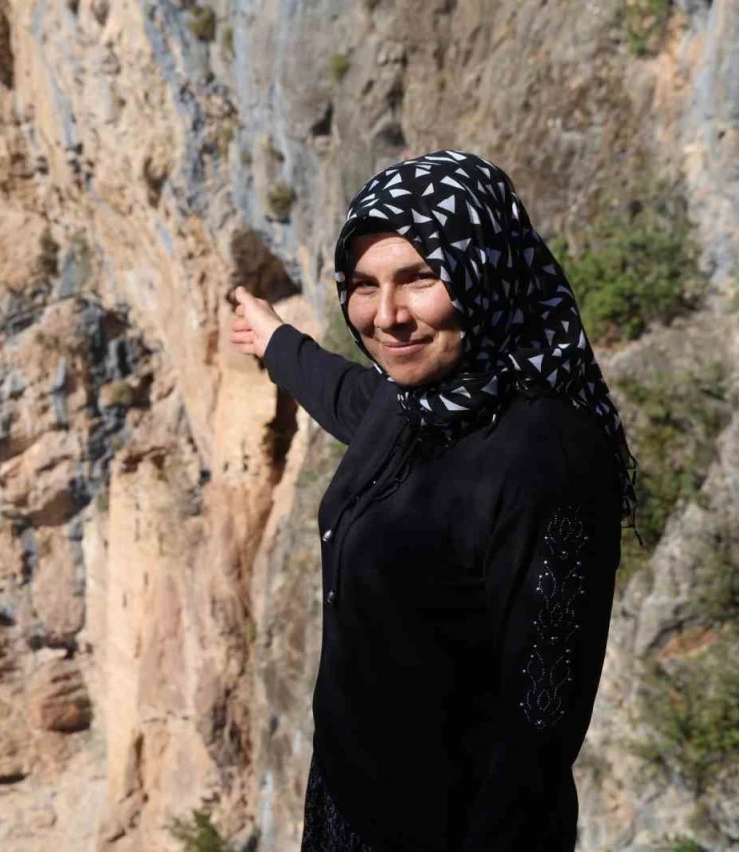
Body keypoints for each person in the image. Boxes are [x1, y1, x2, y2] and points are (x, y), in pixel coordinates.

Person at [229, 150, 639, 851]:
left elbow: (536, 730)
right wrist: (276, 343)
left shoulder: (546, 457)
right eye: (364, 285)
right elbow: (350, 398)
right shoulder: (419, 402)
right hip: (350, 804)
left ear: (483, 270)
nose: (388, 317)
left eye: (420, 278)